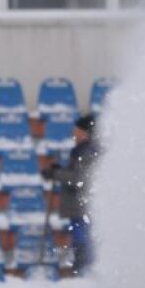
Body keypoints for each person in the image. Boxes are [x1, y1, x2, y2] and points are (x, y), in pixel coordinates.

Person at [44, 114, 101, 274]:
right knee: (81, 241)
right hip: (81, 207)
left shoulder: (86, 152)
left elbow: (79, 179)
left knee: (83, 242)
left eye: (77, 131)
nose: (74, 135)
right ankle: (83, 270)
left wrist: (57, 173)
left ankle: (84, 271)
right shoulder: (84, 151)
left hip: (81, 207)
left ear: (86, 132)